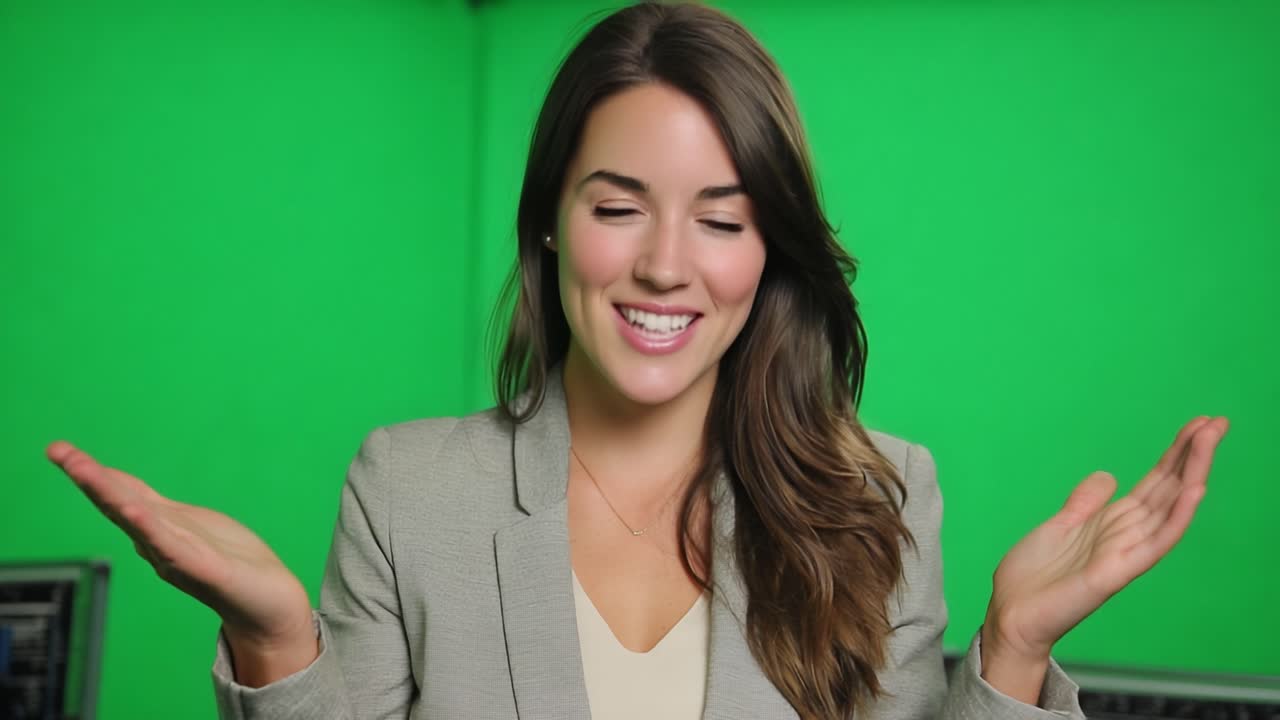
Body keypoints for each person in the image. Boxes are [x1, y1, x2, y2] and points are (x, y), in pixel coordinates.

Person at [46, 3, 1229, 719]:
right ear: (552, 220)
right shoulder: (408, 490)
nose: (668, 266)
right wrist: (273, 642)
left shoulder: (880, 494)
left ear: (768, 254)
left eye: (721, 221)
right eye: (620, 207)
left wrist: (1013, 649)